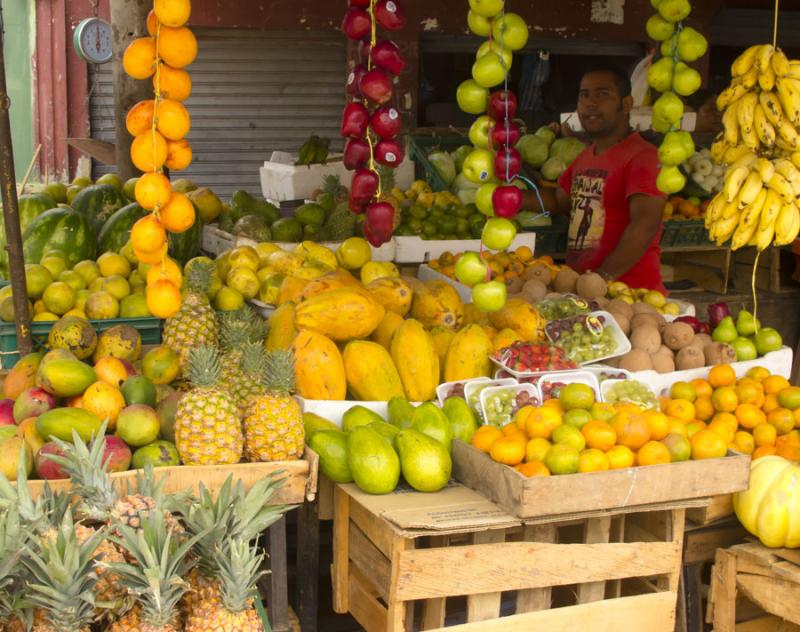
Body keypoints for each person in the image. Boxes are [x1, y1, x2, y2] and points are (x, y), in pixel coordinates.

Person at [523, 65, 667, 293]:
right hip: (587, 291)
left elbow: (643, 226)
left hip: (630, 294)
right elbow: (560, 201)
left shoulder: (643, 157)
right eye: (584, 95)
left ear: (627, 104)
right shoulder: (585, 156)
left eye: (602, 94)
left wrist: (601, 279)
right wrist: (510, 199)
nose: (590, 103)